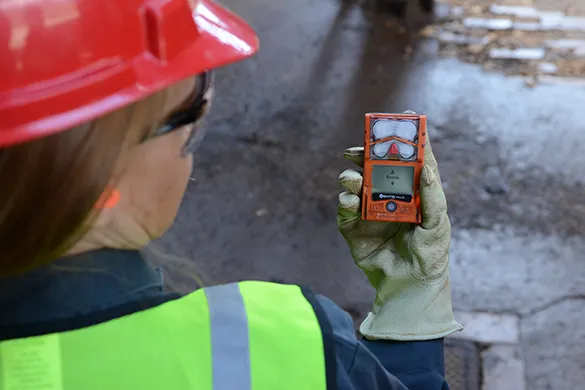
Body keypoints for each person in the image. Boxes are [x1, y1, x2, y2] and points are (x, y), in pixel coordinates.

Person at [0, 0, 462, 388]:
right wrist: (411, 300)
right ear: (96, 170)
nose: (193, 142)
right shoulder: (290, 344)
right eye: (191, 108)